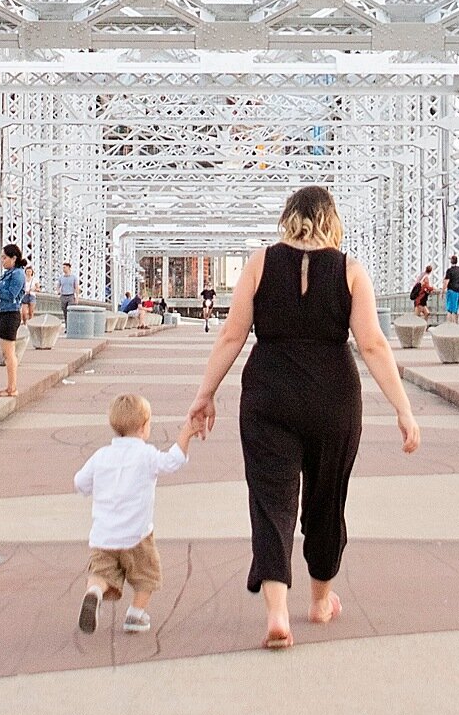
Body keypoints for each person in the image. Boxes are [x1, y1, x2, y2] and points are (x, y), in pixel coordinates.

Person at [187, 185, 421, 652]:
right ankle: (319, 600)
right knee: (325, 499)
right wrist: (403, 408)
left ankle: (277, 614)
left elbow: (232, 336)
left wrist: (204, 395)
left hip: (269, 394)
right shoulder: (351, 271)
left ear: (288, 218)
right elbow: (372, 344)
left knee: (271, 502)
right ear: (331, 219)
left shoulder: (260, 264)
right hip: (333, 399)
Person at [74, 392, 198, 636]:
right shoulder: (147, 455)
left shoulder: (101, 456)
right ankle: (136, 614)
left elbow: (80, 483)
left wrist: (94, 487)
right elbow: (173, 461)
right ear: (144, 427)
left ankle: (94, 592)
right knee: (147, 576)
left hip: (103, 536)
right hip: (137, 535)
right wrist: (186, 434)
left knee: (100, 572)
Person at [0, 242, 33, 399]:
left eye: (4, 257)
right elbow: (0, 293)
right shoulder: (8, 273)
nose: (2, 261)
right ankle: (11, 387)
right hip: (2, 313)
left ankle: (12, 388)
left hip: (10, 314)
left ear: (14, 258)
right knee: (8, 353)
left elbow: (11, 294)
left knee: (9, 353)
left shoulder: (18, 274)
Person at [443, 253, 459, 319]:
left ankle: (451, 326)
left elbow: (446, 282)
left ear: (451, 261)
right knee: (456, 309)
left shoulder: (449, 271)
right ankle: (456, 325)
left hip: (452, 290)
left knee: (450, 310)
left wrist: (443, 291)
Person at [57, 260, 78, 328]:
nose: (63, 269)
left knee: (70, 312)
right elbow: (58, 286)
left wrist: (77, 297)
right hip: (63, 296)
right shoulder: (61, 278)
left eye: (64, 267)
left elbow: (76, 287)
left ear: (69, 268)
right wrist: (58, 291)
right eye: (63, 268)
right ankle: (67, 326)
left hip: (71, 296)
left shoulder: (74, 277)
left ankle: (71, 326)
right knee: (65, 312)